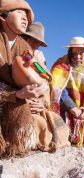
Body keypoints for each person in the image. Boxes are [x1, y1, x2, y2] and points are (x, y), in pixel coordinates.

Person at [0, 0, 70, 157]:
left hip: (21, 100)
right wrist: (16, 96)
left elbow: (42, 73)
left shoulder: (24, 48)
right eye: (19, 13)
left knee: (42, 123)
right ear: (3, 17)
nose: (25, 18)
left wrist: (41, 92)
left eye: (26, 15)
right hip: (6, 99)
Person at [51, 37, 84, 147]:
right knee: (61, 134)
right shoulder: (61, 65)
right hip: (66, 109)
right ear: (70, 53)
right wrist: (72, 107)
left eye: (81, 53)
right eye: (74, 53)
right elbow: (57, 87)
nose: (78, 56)